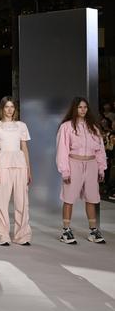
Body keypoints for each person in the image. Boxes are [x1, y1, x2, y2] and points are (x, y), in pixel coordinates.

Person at [56, 97, 107, 244]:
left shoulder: (94, 127)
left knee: (92, 197)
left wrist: (101, 168)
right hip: (74, 163)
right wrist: (65, 170)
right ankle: (66, 231)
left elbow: (100, 150)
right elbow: (62, 150)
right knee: (69, 197)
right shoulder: (66, 127)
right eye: (80, 107)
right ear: (74, 109)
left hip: (91, 164)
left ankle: (93, 231)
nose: (83, 110)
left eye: (85, 107)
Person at [0, 96, 32, 246]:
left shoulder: (21, 126)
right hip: (3, 165)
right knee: (2, 201)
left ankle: (22, 235)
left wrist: (29, 170)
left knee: (22, 201)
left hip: (20, 165)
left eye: (12, 107)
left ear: (15, 109)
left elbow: (25, 148)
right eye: (6, 107)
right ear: (2, 109)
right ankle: (3, 234)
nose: (9, 110)